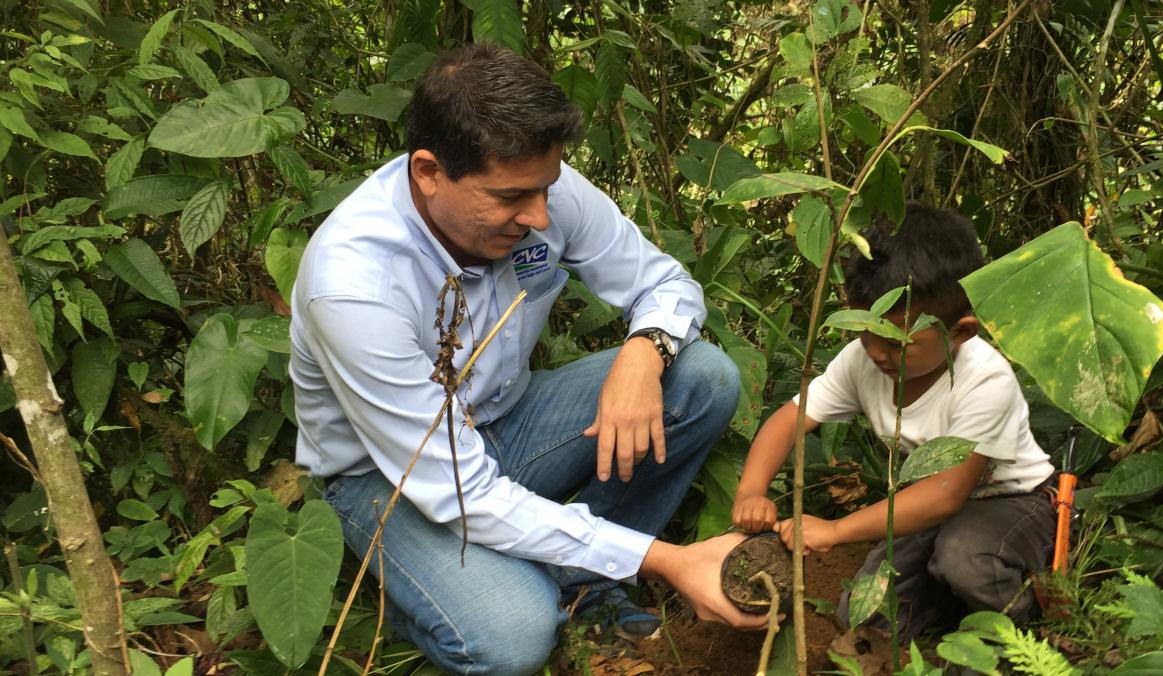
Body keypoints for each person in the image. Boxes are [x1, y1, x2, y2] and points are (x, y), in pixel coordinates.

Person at [290, 43, 767, 675]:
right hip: (392, 477)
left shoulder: (536, 184)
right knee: (513, 633)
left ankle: (582, 579)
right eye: (512, 198)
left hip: (507, 424)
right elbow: (460, 493)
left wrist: (643, 353)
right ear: (429, 172)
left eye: (545, 189)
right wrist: (668, 560)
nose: (539, 215)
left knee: (700, 377)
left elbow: (666, 285)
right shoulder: (354, 285)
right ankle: (450, 592)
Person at [730, 203, 1056, 638]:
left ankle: (1015, 632)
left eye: (899, 342)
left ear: (960, 332)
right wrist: (751, 492)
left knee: (963, 557)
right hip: (927, 507)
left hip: (1011, 502)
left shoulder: (986, 381)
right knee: (863, 616)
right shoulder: (861, 361)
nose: (878, 353)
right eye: (867, 333)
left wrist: (836, 530)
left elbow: (945, 493)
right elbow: (787, 420)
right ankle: (945, 605)